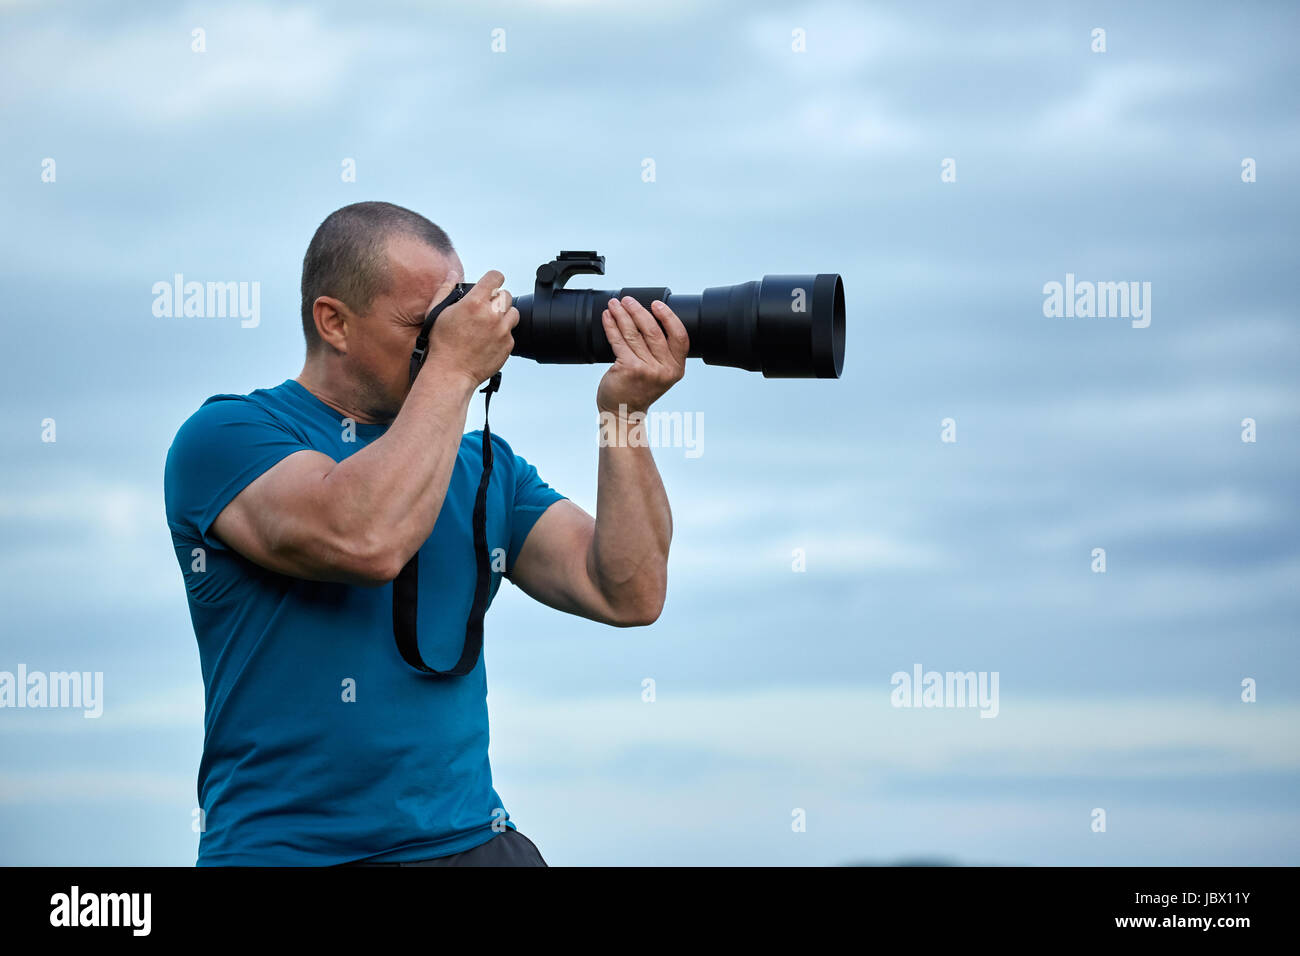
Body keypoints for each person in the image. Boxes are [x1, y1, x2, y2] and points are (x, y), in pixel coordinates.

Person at [163, 201, 688, 866]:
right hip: (292, 853)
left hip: (471, 843)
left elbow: (629, 591)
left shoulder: (484, 469)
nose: (448, 338)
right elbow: (366, 539)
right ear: (334, 322)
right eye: (424, 324)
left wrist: (626, 415)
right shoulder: (228, 438)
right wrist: (454, 368)